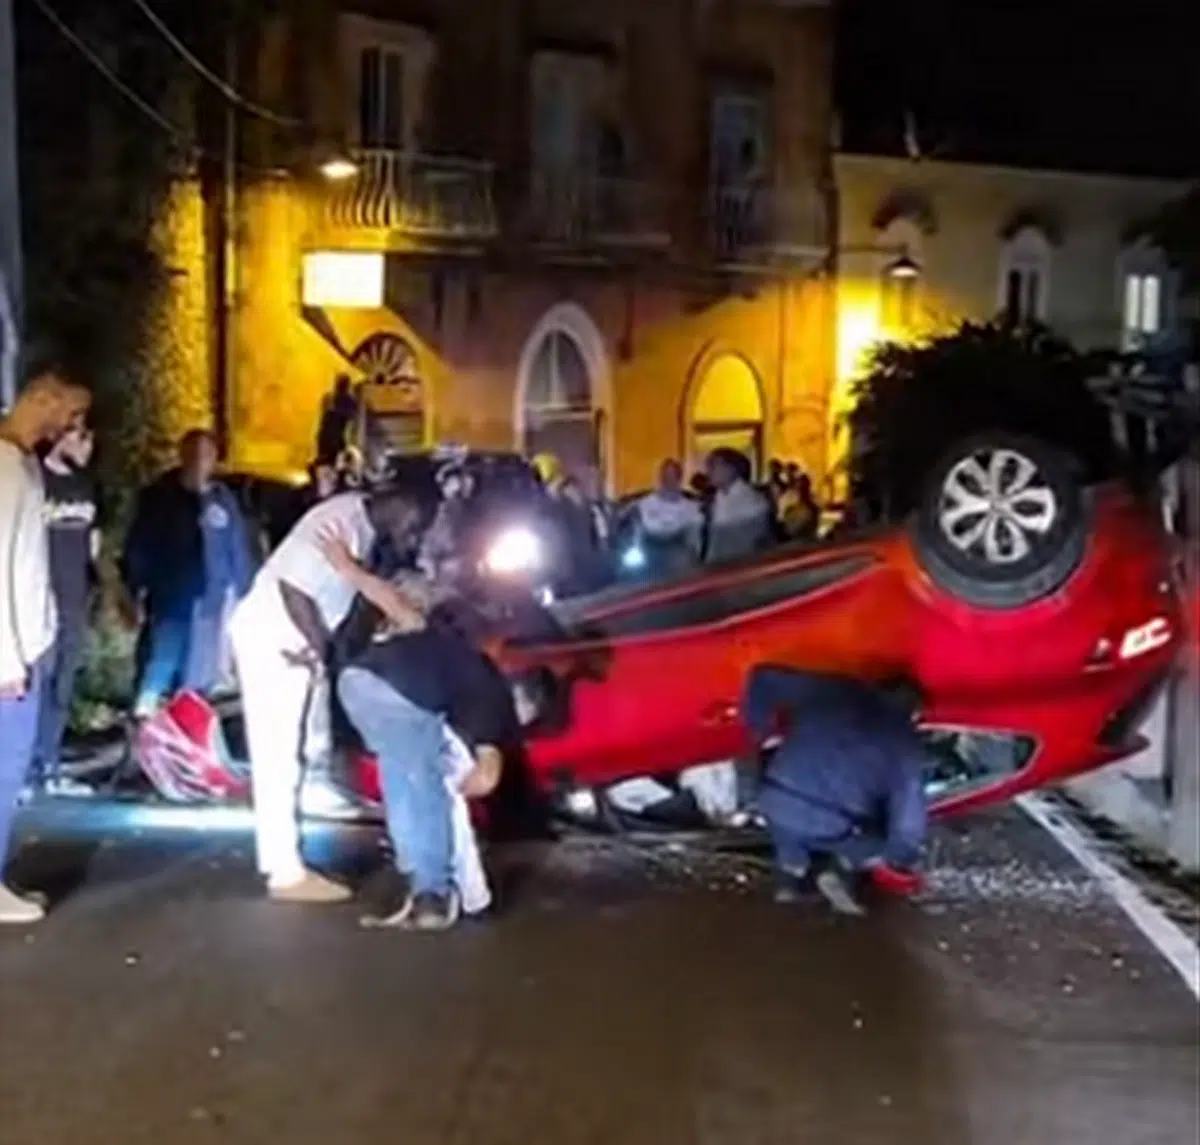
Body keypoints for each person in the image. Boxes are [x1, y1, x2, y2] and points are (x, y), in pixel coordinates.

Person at [229, 487, 436, 903]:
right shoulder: (340, 520)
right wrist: (322, 652)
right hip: (277, 641)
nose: (412, 536)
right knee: (278, 757)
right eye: (415, 525)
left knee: (298, 752)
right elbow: (295, 589)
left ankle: (284, 860)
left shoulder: (363, 528)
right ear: (401, 504)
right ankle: (284, 871)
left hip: (295, 645)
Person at [332, 549, 523, 931]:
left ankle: (434, 891)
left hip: (391, 697)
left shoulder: (431, 638)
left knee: (419, 792)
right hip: (385, 704)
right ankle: (431, 893)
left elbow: (483, 696)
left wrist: (349, 569)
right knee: (410, 791)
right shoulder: (417, 644)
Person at [0, 361, 91, 924]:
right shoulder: (7, 471)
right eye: (70, 413)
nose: (72, 425)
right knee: (4, 769)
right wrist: (7, 657)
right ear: (44, 400)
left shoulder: (22, 465)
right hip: (11, 654)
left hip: (29, 640)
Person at [741, 665, 929, 916]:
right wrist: (899, 860)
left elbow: (762, 676)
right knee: (874, 839)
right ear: (913, 714)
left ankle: (790, 877)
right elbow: (908, 823)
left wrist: (759, 730)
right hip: (830, 823)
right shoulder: (905, 745)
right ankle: (841, 869)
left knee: (789, 831)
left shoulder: (832, 689)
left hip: (773, 797)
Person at [121, 430, 255, 717]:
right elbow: (140, 546)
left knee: (199, 676)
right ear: (181, 456)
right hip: (172, 600)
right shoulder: (160, 497)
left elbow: (236, 547)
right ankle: (142, 723)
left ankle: (184, 731)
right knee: (161, 663)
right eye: (193, 454)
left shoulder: (222, 499)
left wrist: (245, 594)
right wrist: (133, 590)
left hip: (211, 602)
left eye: (206, 455)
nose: (199, 462)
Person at [29, 418, 100, 797]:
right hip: (41, 599)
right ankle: (24, 768)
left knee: (63, 684)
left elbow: (93, 541)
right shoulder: (34, 480)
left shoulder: (84, 484)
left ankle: (49, 763)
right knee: (38, 682)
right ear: (58, 435)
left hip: (75, 598)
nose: (89, 442)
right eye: (81, 434)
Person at [632, 458, 703, 577]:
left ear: (679, 478)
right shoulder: (644, 504)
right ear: (660, 478)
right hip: (649, 552)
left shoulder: (692, 507)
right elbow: (637, 532)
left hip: (678, 553)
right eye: (665, 476)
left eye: (672, 476)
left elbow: (695, 538)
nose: (668, 480)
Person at [704, 447, 771, 563]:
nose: (708, 472)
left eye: (713, 466)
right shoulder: (718, 498)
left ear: (731, 469)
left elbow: (748, 545)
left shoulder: (751, 501)